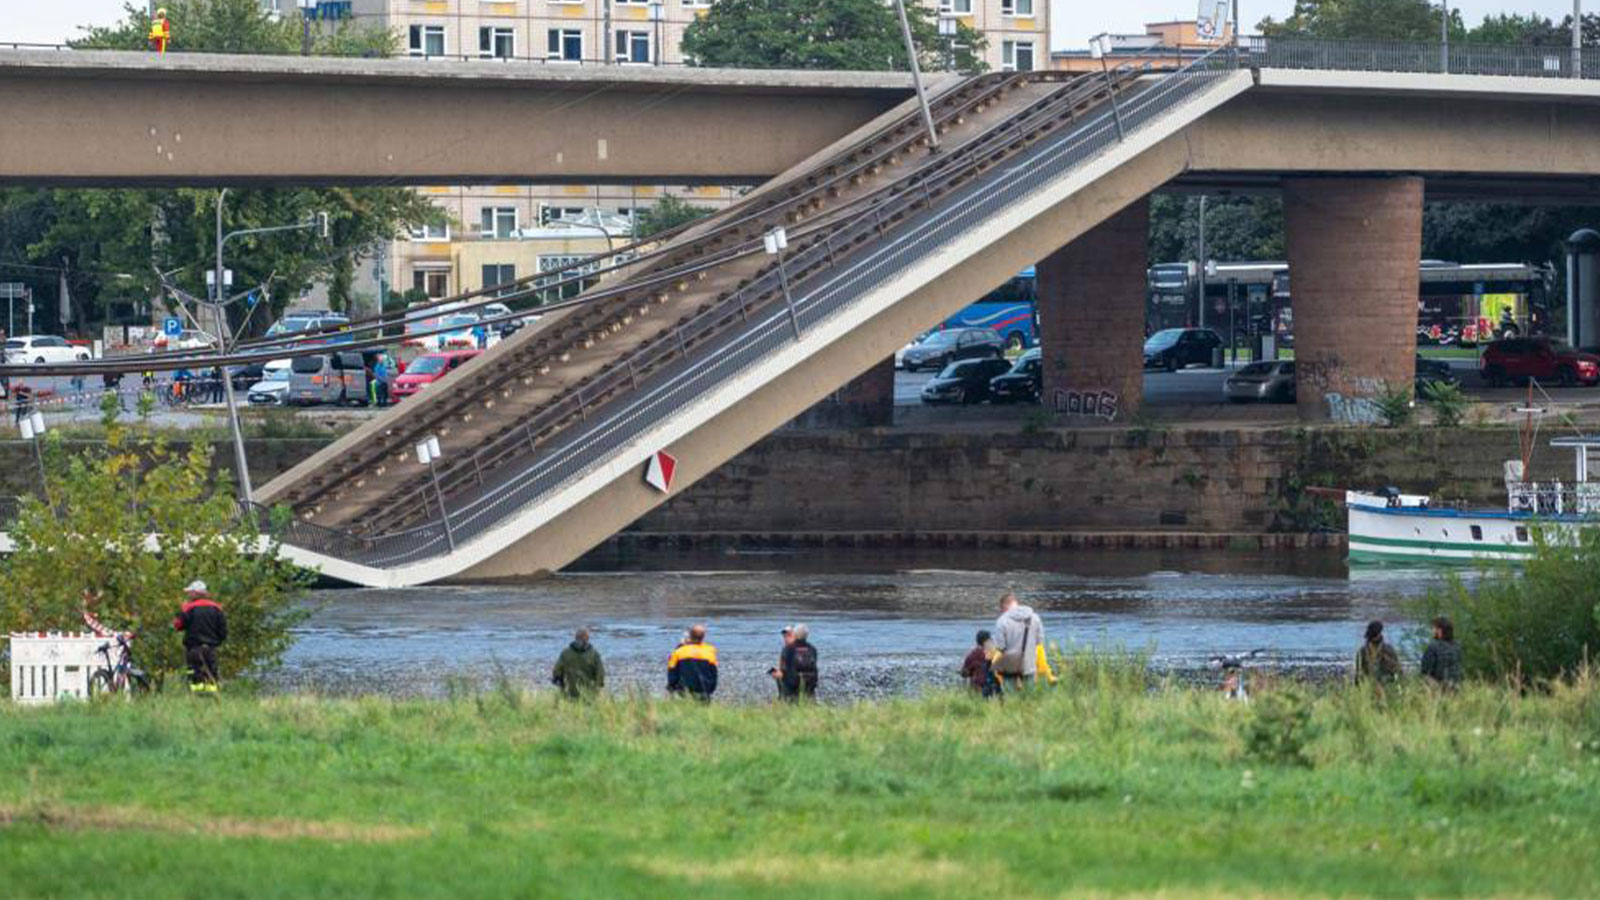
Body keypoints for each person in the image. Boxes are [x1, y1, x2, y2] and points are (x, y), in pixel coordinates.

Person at [172, 580, 226, 693]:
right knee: (211, 675)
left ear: (196, 593)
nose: (189, 595)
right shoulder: (217, 608)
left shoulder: (188, 608)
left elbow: (178, 626)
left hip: (193, 648)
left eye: (190, 592)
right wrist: (217, 642)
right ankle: (211, 700)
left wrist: (179, 613)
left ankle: (197, 699)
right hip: (211, 649)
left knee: (195, 676)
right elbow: (223, 631)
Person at [991, 592, 1044, 690]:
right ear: (1016, 603)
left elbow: (1000, 646)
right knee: (1030, 696)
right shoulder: (1035, 618)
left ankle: (1013, 704)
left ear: (1004, 607)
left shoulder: (1001, 621)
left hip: (1010, 665)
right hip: (1029, 662)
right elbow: (1039, 641)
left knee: (1010, 696)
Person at [666, 624, 718, 701]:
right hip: (704, 692)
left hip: (683, 692)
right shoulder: (710, 652)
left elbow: (672, 672)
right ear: (703, 637)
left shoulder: (679, 652)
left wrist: (671, 688)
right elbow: (714, 675)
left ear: (690, 636)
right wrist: (710, 690)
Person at [551, 628, 605, 699]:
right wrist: (598, 686)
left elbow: (557, 671)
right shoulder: (594, 654)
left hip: (569, 690)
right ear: (587, 638)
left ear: (575, 638)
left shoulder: (565, 653)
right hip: (588, 691)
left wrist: (559, 682)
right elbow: (601, 672)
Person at [1420, 616, 1463, 688]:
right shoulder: (1457, 646)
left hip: (1438, 687)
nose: (1432, 631)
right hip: (1455, 686)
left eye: (1434, 628)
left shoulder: (1433, 646)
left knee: (1425, 677)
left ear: (1439, 631)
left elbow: (1425, 670)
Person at [778, 623, 818, 700]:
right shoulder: (812, 649)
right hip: (810, 683)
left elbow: (783, 669)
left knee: (779, 676)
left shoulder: (788, 649)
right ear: (807, 635)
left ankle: (783, 699)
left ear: (795, 635)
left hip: (794, 684)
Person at [1355, 620, 1401, 685]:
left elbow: (1397, 670)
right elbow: (1358, 673)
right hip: (1369, 684)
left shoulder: (1388, 650)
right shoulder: (1362, 651)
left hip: (1386, 683)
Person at [960, 629, 1002, 699]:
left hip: (977, 687)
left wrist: (970, 672)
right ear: (986, 642)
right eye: (990, 640)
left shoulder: (972, 655)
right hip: (993, 687)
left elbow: (964, 673)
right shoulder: (994, 654)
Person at [768, 625, 795, 699]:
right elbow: (782, 666)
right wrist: (778, 672)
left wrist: (780, 674)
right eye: (784, 637)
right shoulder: (785, 649)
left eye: (789, 636)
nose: (786, 639)